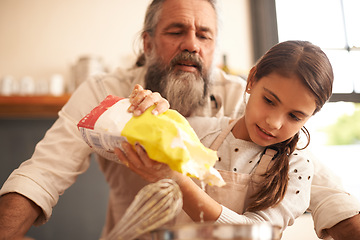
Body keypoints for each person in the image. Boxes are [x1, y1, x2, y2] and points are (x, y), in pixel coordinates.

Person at [0, 0, 359, 239]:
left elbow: (325, 191)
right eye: (176, 31)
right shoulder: (104, 93)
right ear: (147, 43)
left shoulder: (243, 99)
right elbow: (43, 173)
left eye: (204, 35)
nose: (192, 45)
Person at [116, 40, 332, 232]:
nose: (273, 123)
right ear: (251, 80)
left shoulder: (298, 167)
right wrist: (142, 114)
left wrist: (177, 180)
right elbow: (116, 144)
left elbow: (252, 234)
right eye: (269, 101)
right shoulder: (197, 132)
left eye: (294, 116)